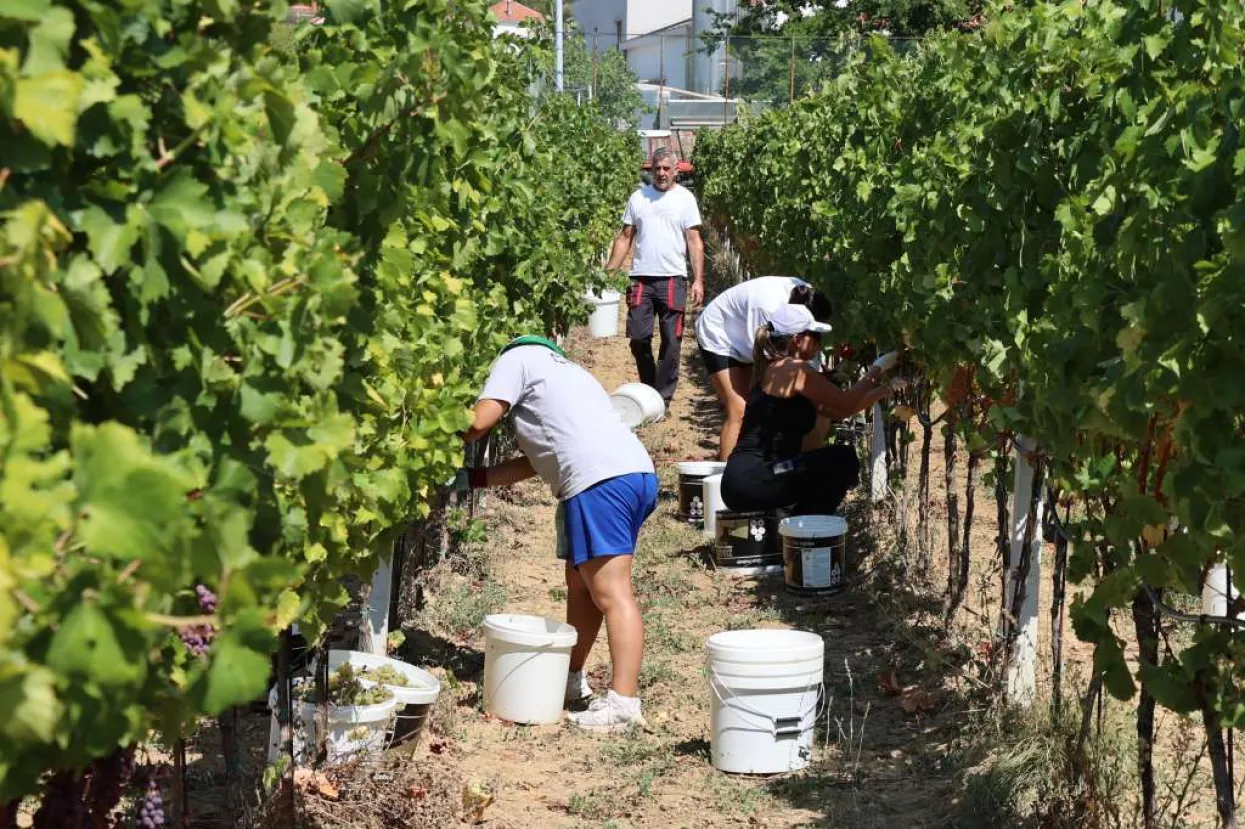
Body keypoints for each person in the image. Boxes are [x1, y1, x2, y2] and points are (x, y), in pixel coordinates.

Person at [455, 335, 657, 732]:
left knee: (612, 593)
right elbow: (536, 462)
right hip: (631, 474)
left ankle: (623, 705)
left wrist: (427, 429)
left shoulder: (518, 358)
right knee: (581, 585)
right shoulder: (569, 374)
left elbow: (478, 422)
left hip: (597, 481)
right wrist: (469, 479)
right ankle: (569, 679)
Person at [720, 305, 898, 517]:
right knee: (842, 460)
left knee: (832, 461)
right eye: (815, 337)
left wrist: (885, 390)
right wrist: (877, 368)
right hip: (755, 478)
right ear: (796, 339)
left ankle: (798, 532)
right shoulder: (792, 369)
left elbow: (838, 412)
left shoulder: (776, 369)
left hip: (748, 479)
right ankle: (808, 536)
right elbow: (845, 403)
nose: (820, 345)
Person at [605, 147, 705, 406]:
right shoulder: (638, 198)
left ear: (675, 171)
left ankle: (663, 398)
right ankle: (650, 389)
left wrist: (698, 280)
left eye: (666, 168)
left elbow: (694, 241)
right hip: (641, 279)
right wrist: (608, 274)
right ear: (651, 170)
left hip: (673, 279)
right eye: (656, 168)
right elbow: (625, 238)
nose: (661, 173)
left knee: (672, 340)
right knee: (638, 338)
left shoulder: (685, 199)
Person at [695, 276, 833, 460]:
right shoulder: (766, 307)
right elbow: (764, 359)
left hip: (752, 334)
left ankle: (800, 475)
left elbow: (807, 367)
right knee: (739, 409)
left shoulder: (808, 298)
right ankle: (726, 480)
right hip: (721, 335)